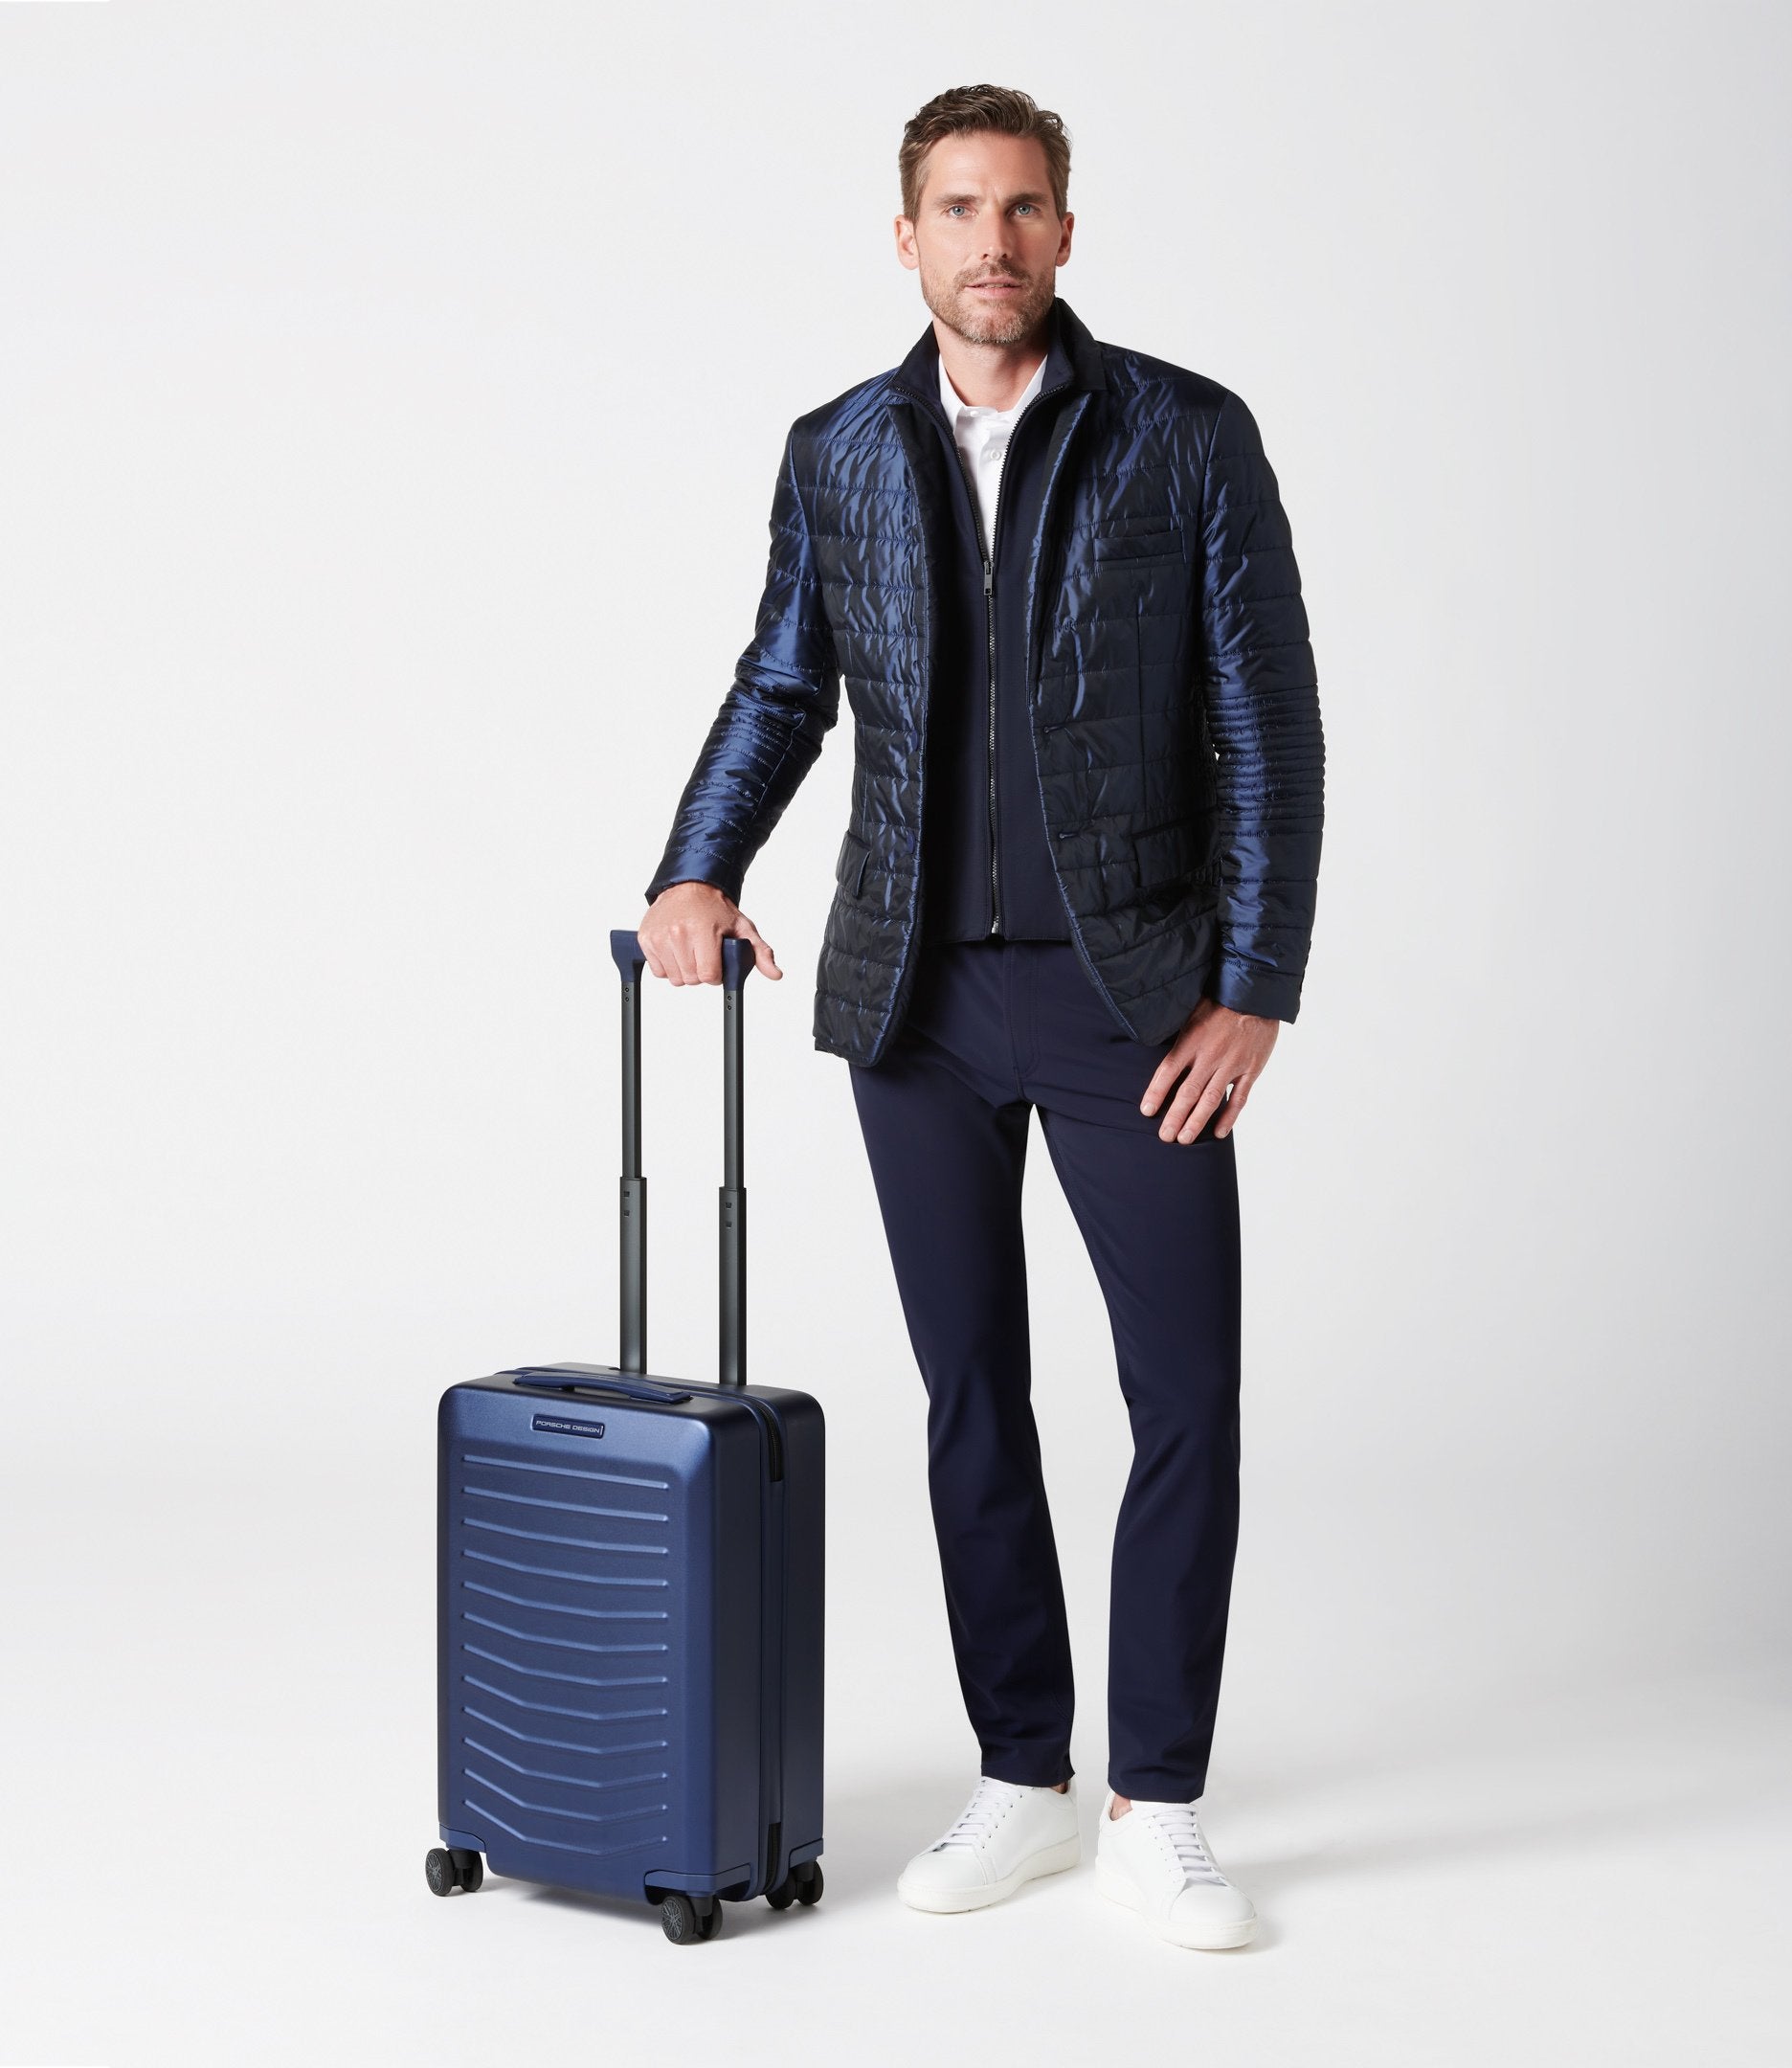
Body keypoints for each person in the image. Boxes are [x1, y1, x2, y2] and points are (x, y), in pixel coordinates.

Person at [637, 83, 1323, 1952]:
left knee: (1185, 1398)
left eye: (1022, 207)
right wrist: (696, 868)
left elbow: (1268, 723)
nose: (992, 240)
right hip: (916, 1001)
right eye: (958, 208)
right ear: (907, 237)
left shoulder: (1183, 434)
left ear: (1065, 234)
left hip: (1134, 1001)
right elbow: (783, 685)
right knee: (970, 1397)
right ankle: (1023, 1772)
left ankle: (1156, 1803)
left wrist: (1254, 988)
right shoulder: (841, 450)